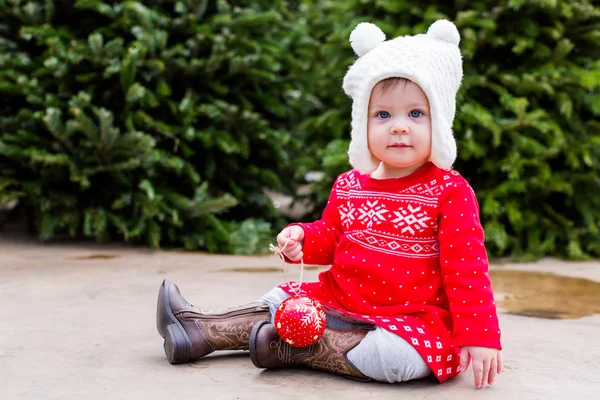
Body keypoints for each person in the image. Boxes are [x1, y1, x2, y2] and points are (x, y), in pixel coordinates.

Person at [156, 19, 503, 389]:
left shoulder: (449, 191)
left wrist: (479, 336)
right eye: (383, 115)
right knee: (280, 300)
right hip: (339, 302)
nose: (399, 127)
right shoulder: (349, 184)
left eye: (416, 114)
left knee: (398, 360)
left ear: (441, 121)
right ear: (362, 124)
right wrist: (302, 238)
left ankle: (297, 348)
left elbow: (467, 269)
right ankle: (201, 331)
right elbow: (332, 235)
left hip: (412, 319)